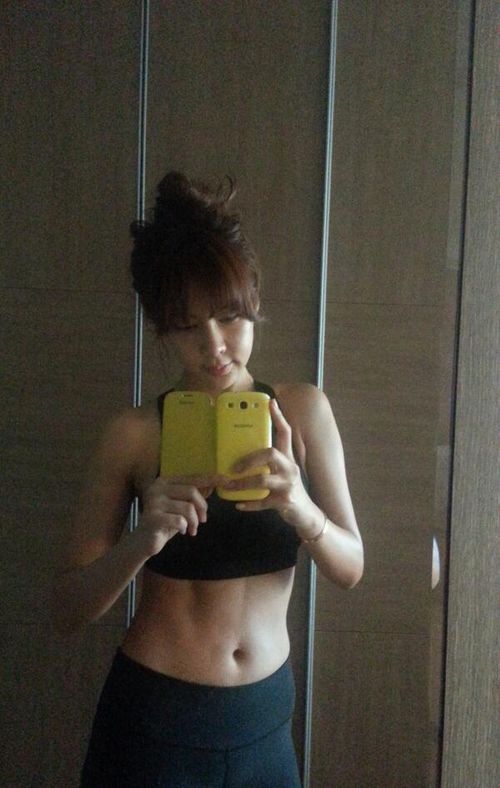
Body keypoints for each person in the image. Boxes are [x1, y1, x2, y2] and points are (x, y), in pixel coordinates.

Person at [52, 171, 364, 787]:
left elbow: (351, 567)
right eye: (189, 325)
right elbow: (66, 610)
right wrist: (143, 540)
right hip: (153, 719)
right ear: (161, 328)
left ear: (253, 307)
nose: (215, 345)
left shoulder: (303, 412)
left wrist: (301, 507)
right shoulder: (134, 434)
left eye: (229, 317)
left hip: (265, 722)